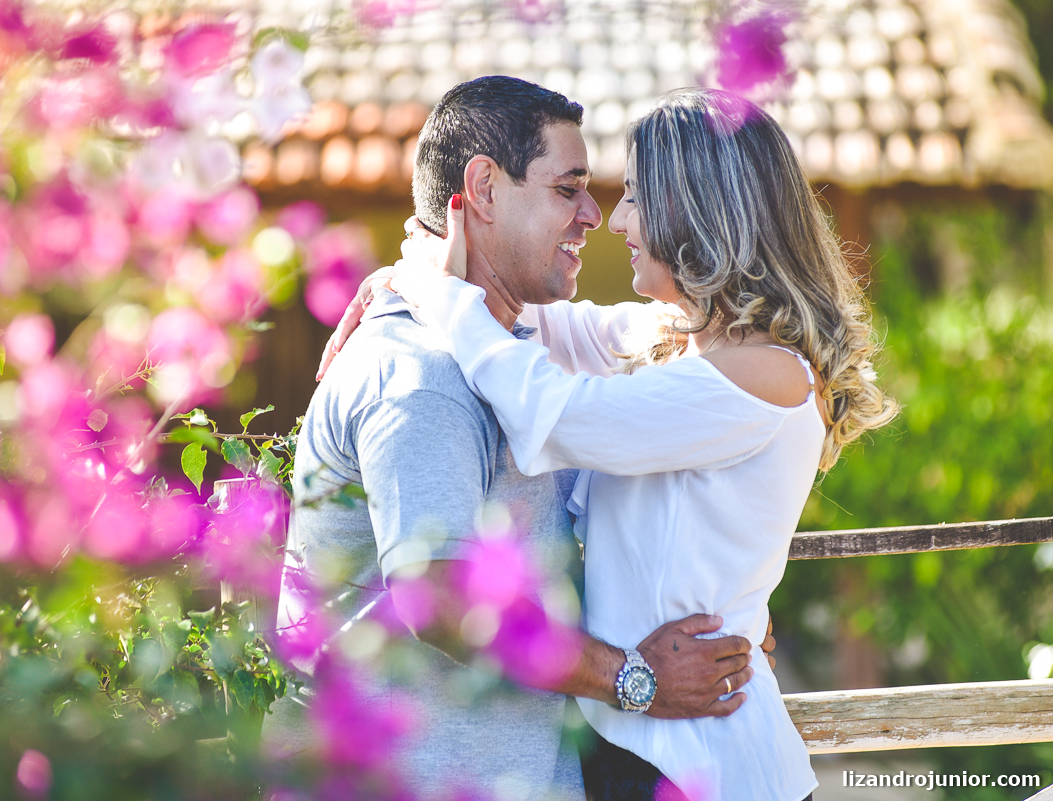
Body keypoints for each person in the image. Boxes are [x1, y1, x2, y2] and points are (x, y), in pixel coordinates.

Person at [385, 87, 899, 800]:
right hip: (647, 749)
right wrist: (408, 274)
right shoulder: (681, 339)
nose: (616, 218)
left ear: (698, 210)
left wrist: (437, 295)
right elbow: (536, 324)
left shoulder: (765, 373)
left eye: (634, 195)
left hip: (704, 765)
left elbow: (555, 410)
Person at [263, 77, 763, 801]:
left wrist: (734, 613)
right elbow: (439, 597)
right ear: (485, 190)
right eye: (568, 188)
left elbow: (678, 341)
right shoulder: (423, 376)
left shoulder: (508, 351)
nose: (595, 214)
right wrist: (636, 676)